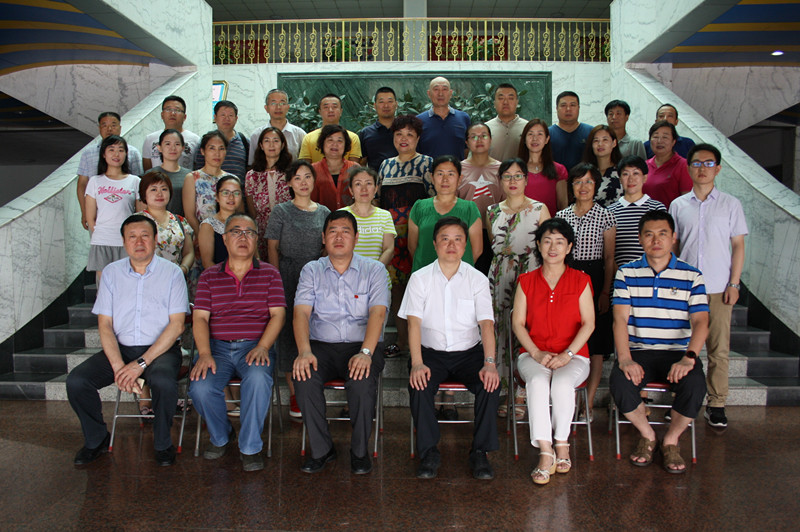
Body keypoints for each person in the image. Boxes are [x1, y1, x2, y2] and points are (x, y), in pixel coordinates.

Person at [67, 214, 188, 467]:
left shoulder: (172, 273)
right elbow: (105, 325)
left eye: (145, 236)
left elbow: (177, 325)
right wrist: (118, 367)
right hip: (121, 350)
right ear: (124, 242)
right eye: (132, 237)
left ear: (155, 239)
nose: (139, 242)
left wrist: (140, 364)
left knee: (163, 382)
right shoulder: (111, 273)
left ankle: (163, 443)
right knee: (77, 381)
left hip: (161, 351)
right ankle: (96, 439)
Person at [401, 217, 501, 480]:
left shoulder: (477, 279)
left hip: (469, 353)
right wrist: (417, 363)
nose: (451, 245)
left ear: (465, 245)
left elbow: (487, 324)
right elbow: (413, 324)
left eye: (458, 239)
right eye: (445, 239)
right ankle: (429, 452)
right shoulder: (419, 278)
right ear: (434, 244)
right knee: (419, 384)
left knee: (490, 385)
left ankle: (480, 451)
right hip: (430, 353)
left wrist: (490, 363)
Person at [610, 210, 709, 474]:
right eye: (649, 234)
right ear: (640, 239)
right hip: (639, 351)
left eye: (663, 234)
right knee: (620, 383)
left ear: (673, 237)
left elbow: (701, 321)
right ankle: (648, 435)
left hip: (677, 353)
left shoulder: (692, 275)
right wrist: (625, 358)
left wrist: (689, 358)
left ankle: (671, 440)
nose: (656, 240)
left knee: (695, 385)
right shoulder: (626, 273)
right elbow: (620, 319)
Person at [292, 210, 390, 474]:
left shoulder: (374, 270)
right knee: (303, 376)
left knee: (361, 382)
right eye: (332, 231)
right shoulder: (311, 270)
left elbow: (378, 313)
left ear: (356, 238)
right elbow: (301, 313)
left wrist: (366, 352)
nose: (338, 237)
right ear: (323, 238)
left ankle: (359, 451)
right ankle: (322, 449)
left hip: (362, 346)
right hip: (320, 346)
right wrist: (304, 351)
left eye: (345, 231)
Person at [189, 213, 286, 472]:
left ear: (256, 239)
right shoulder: (209, 276)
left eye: (249, 232)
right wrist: (204, 353)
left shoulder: (270, 274)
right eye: (236, 231)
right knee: (200, 387)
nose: (243, 237)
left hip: (254, 346)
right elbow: (200, 318)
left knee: (257, 379)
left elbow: (278, 315)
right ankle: (222, 435)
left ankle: (250, 447)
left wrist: (263, 346)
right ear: (224, 239)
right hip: (216, 348)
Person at [511, 217, 595, 485]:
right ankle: (546, 452)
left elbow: (589, 323)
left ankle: (562, 444)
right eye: (547, 241)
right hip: (533, 354)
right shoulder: (526, 280)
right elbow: (518, 323)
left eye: (560, 242)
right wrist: (536, 353)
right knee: (537, 381)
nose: (553, 247)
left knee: (561, 383)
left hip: (574, 355)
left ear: (569, 247)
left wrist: (567, 354)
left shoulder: (581, 280)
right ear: (538, 244)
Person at [669, 144, 748, 429]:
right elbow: (673, 246)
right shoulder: (678, 205)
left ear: (718, 168)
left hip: (717, 287)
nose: (702, 168)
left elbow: (738, 246)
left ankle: (716, 404)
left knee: (718, 349)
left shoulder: (730, 204)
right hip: (685, 289)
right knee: (680, 345)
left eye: (708, 163)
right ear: (689, 168)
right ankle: (679, 402)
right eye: (697, 163)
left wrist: (734, 283)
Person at [265, 161, 331, 419]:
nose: (303, 182)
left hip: (317, 277)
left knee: (315, 330)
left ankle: (312, 388)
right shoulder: (281, 211)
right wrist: (276, 281)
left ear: (314, 180)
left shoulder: (324, 212)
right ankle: (295, 394)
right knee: (288, 336)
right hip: (287, 275)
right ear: (290, 183)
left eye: (307, 177)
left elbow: (326, 248)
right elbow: (272, 248)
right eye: (297, 178)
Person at [486, 158, 550, 419]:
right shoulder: (491, 211)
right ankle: (503, 389)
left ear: (526, 179)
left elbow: (548, 247)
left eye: (518, 176)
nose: (512, 181)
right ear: (500, 181)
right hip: (501, 276)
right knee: (501, 329)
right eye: (507, 176)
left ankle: (522, 391)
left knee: (527, 329)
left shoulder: (539, 209)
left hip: (531, 274)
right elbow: (495, 245)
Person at [556, 164, 617, 421]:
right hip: (567, 278)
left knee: (596, 346)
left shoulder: (606, 216)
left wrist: (605, 291)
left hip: (595, 277)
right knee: (569, 338)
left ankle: (588, 404)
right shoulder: (561, 216)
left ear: (596, 186)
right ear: (571, 186)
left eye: (589, 182)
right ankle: (567, 401)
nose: (583, 187)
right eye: (578, 182)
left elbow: (610, 258)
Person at [377, 115, 433, 359]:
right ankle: (402, 341)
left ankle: (424, 343)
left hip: (418, 235)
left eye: (410, 134)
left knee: (422, 289)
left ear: (418, 138)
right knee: (398, 290)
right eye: (399, 134)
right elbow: (378, 201)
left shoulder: (427, 163)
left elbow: (434, 200)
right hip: (392, 237)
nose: (404, 139)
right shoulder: (385, 165)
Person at [409, 155, 483, 274]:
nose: (445, 179)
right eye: (440, 174)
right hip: (425, 275)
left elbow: (477, 250)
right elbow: (413, 247)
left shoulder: (470, 209)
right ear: (432, 178)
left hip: (459, 277)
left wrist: (453, 269)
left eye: (451, 174)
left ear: (459, 179)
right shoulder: (419, 207)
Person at [85, 135, 143, 283]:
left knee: (128, 282)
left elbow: (140, 215)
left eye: (121, 150)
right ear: (104, 154)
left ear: (126, 154)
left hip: (127, 241)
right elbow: (90, 217)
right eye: (111, 150)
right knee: (104, 284)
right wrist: (99, 234)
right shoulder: (95, 181)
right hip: (102, 241)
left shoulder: (135, 181)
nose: (116, 154)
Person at [77, 112, 143, 230]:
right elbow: (82, 185)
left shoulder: (133, 152)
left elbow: (140, 188)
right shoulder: (88, 153)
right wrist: (85, 211)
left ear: (120, 128)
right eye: (105, 125)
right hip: (97, 215)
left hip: (126, 216)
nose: (109, 129)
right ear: (99, 128)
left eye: (113, 125)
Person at [459, 123, 504, 274]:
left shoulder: (501, 169)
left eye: (483, 136)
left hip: (495, 231)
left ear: (490, 139)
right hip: (466, 230)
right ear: (466, 142)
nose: (479, 140)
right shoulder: (459, 169)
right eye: (474, 137)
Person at [607, 155, 666, 269]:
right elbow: (609, 253)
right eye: (625, 174)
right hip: (620, 275)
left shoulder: (657, 208)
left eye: (636, 173)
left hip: (650, 274)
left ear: (645, 178)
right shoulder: (610, 211)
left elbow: (662, 244)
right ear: (620, 179)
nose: (631, 179)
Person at [245, 127, 293, 260]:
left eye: (276, 141)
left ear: (282, 145)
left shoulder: (292, 173)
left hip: (287, 229)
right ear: (261, 145)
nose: (271, 145)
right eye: (267, 141)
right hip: (261, 231)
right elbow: (252, 210)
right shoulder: (251, 175)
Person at [182, 130, 237, 235]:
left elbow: (238, 213)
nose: (217, 153)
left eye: (221, 148)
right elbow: (189, 215)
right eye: (212, 148)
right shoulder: (192, 178)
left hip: (230, 236)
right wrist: (203, 237)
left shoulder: (232, 179)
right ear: (203, 151)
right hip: (201, 235)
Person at [341, 166, 395, 267]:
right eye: (358, 184)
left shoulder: (385, 216)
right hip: (348, 273)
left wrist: (374, 271)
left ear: (376, 189)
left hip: (377, 273)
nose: (364, 189)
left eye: (368, 183)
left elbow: (389, 249)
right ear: (351, 190)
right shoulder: (341, 215)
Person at [518, 118, 568, 215]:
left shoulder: (559, 170)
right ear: (524, 139)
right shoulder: (515, 169)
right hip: (521, 222)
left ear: (547, 139)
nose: (535, 139)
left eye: (540, 134)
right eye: (530, 134)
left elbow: (563, 205)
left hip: (550, 223)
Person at [416, 76, 471, 160]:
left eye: (444, 89)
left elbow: (467, 148)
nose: (440, 94)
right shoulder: (419, 121)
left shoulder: (464, 118)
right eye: (436, 89)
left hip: (457, 168)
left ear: (451, 93)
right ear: (429, 94)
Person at [142, 95, 200, 171]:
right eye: (168, 109)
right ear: (162, 115)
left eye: (177, 110)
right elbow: (147, 169)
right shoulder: (150, 139)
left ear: (184, 117)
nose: (172, 113)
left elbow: (198, 167)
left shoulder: (195, 140)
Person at [298, 94, 361, 163]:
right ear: (320, 112)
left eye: (334, 107)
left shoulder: (353, 138)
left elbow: (354, 167)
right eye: (326, 107)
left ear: (341, 111)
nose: (330, 110)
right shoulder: (308, 138)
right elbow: (305, 166)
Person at [198, 175, 244, 269]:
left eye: (236, 193)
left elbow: (255, 257)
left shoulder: (246, 222)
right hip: (219, 276)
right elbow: (207, 263)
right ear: (217, 197)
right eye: (226, 193)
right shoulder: (208, 226)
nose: (231, 197)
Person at [249, 88, 307, 162]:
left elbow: (305, 164)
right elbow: (252, 163)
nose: (278, 107)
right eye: (273, 103)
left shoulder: (300, 134)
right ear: (266, 108)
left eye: (282, 103)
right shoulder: (257, 135)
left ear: (288, 107)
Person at [194, 100, 248, 180]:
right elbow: (199, 169)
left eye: (230, 115)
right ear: (215, 117)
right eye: (223, 115)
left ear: (236, 118)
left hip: (237, 187)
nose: (227, 119)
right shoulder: (205, 142)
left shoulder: (244, 142)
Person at [645, 120, 693, 209]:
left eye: (665, 137)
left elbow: (687, 200)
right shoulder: (644, 166)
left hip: (671, 216)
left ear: (673, 141)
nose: (659, 141)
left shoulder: (683, 165)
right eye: (655, 137)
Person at [311, 124, 358, 211]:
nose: (335, 144)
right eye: (330, 140)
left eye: (339, 141)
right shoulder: (312, 170)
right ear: (322, 143)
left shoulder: (355, 168)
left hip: (351, 217)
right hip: (321, 217)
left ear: (345, 145)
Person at [149, 129, 191, 216]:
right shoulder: (150, 175)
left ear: (183, 148)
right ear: (159, 147)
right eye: (168, 144)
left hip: (182, 222)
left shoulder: (189, 175)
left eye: (177, 144)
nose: (173, 148)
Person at [548, 91, 593, 171]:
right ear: (556, 108)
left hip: (585, 178)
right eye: (563, 105)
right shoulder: (547, 134)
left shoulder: (591, 132)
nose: (568, 109)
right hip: (554, 178)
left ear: (578, 108)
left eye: (572, 105)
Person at [582, 125, 623, 208]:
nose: (600, 144)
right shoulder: (585, 172)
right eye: (596, 141)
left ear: (614, 143)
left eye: (605, 140)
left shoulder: (622, 171)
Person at [358, 86, 399, 171]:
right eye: (381, 102)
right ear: (375, 106)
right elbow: (362, 163)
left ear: (396, 104)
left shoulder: (405, 131)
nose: (386, 106)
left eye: (390, 101)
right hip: (376, 178)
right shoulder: (366, 133)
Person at [486, 83, 527, 162]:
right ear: (494, 103)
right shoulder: (485, 128)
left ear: (517, 103)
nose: (505, 102)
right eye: (501, 98)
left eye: (510, 98)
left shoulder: (527, 127)